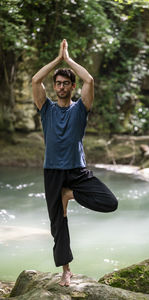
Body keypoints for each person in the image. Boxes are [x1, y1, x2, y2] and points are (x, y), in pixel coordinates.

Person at [32, 39, 118, 286]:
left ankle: (69, 194)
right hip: (52, 172)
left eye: (65, 83)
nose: (60, 87)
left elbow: (89, 80)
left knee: (110, 202)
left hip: (77, 170)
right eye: (57, 83)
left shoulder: (81, 108)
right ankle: (66, 270)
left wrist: (68, 59)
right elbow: (35, 81)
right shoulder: (45, 108)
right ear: (55, 86)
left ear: (72, 86)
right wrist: (56, 61)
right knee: (58, 224)